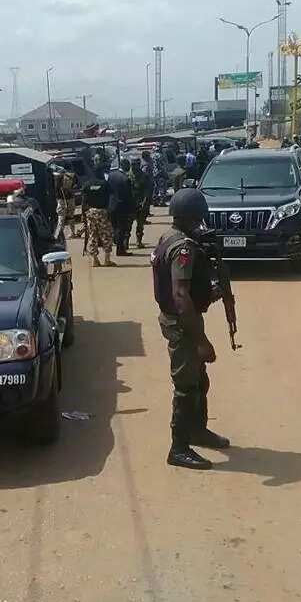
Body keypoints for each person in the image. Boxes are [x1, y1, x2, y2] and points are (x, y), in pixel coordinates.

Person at [152, 188, 231, 470]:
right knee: (186, 386)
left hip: (184, 319)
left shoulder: (169, 236)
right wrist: (201, 341)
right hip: (181, 323)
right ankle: (179, 447)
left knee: (200, 380)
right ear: (193, 216)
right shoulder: (182, 247)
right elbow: (181, 295)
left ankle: (198, 431)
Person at [81, 168, 114, 267]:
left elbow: (83, 201)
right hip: (102, 212)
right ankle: (107, 260)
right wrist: (110, 211)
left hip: (90, 212)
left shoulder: (86, 185)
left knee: (92, 235)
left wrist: (83, 214)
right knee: (106, 235)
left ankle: (95, 260)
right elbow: (111, 198)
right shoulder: (105, 184)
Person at [108, 159, 136, 255]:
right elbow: (129, 195)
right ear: (125, 165)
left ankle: (116, 243)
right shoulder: (125, 179)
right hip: (122, 207)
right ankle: (120, 250)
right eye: (128, 166)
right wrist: (133, 208)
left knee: (114, 227)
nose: (130, 168)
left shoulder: (111, 175)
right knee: (121, 228)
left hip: (111, 205)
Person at [130, 158, 152, 249]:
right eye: (133, 164)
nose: (134, 166)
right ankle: (125, 242)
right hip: (130, 203)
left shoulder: (145, 176)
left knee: (140, 224)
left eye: (136, 164)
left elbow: (148, 191)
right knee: (127, 224)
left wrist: (145, 203)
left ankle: (139, 241)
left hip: (140, 202)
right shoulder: (128, 176)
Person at [54, 170, 77, 240]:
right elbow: (76, 185)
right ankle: (73, 233)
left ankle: (58, 235)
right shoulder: (72, 176)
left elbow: (56, 188)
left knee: (61, 217)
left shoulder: (58, 177)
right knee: (71, 216)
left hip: (61, 199)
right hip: (71, 198)